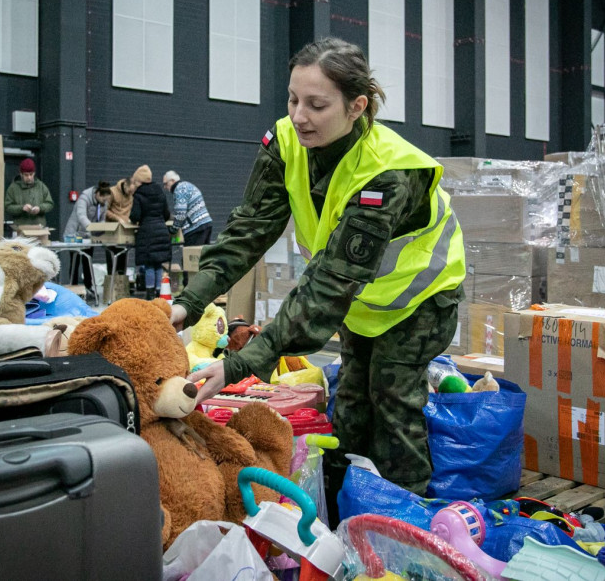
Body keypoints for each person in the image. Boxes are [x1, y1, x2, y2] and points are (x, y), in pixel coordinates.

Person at [171, 38, 466, 521]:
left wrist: (238, 366)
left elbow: (329, 283)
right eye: (292, 99)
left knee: (392, 405)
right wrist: (184, 304)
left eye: (317, 104)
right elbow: (247, 232)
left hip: (420, 300)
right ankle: (345, 513)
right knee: (351, 404)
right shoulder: (287, 142)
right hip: (365, 304)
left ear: (357, 106)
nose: (299, 115)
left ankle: (406, 524)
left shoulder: (389, 173)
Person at [62, 181, 113, 295]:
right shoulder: (84, 198)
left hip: (88, 236)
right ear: (98, 195)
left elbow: (102, 219)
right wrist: (92, 227)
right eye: (104, 199)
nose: (105, 202)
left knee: (88, 260)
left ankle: (88, 286)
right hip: (75, 233)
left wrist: (101, 230)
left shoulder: (103, 203)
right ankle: (73, 287)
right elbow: (81, 216)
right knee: (75, 261)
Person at [129, 165, 172, 300]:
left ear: (139, 181)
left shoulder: (139, 194)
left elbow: (135, 216)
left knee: (148, 265)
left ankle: (150, 295)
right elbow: (166, 214)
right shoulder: (160, 191)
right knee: (158, 264)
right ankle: (160, 293)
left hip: (147, 233)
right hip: (161, 231)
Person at [163, 171, 213, 246]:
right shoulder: (188, 185)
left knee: (189, 255)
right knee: (203, 256)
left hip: (195, 228)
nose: (165, 187)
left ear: (172, 180)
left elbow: (181, 215)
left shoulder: (179, 190)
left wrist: (173, 230)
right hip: (206, 224)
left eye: (166, 184)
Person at [4, 158, 55, 228]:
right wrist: (22, 208)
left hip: (39, 227)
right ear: (21, 174)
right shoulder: (13, 188)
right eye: (26, 175)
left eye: (31, 174)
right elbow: (7, 207)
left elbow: (50, 204)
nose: (29, 177)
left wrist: (40, 208)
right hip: (20, 227)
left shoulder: (41, 186)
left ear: (34, 173)